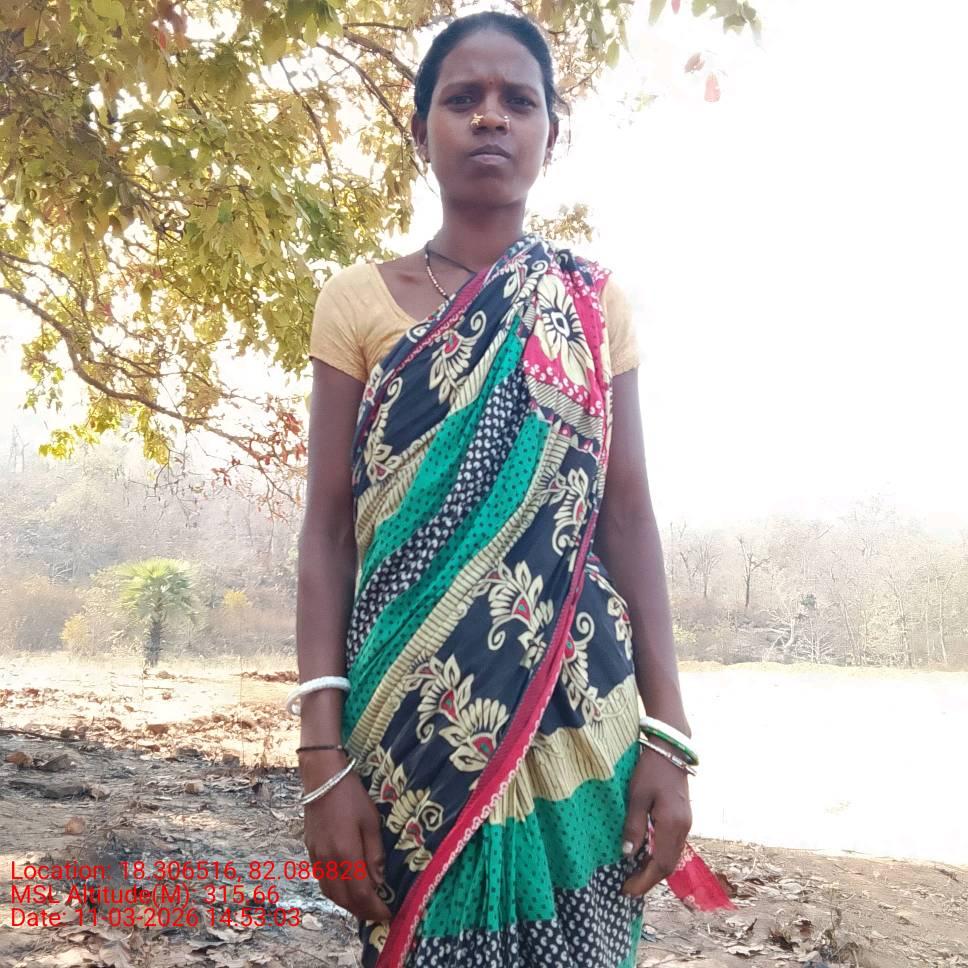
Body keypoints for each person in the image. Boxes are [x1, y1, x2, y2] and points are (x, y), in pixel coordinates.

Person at [293, 12, 731, 967]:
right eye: (463, 98)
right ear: (422, 131)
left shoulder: (590, 304)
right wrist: (321, 757)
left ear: (549, 134)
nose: (490, 117)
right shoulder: (356, 301)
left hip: (580, 713)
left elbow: (627, 515)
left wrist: (668, 734)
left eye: (518, 101)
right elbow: (326, 528)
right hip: (408, 718)